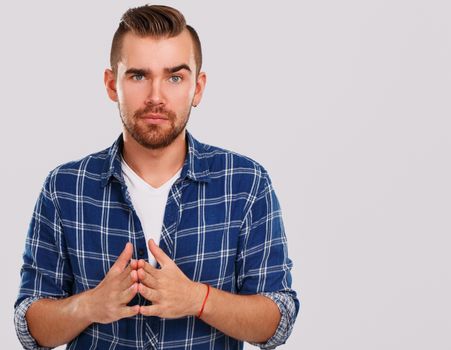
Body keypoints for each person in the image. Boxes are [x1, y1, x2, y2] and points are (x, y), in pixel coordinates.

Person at [14, 4, 300, 350]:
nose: (155, 97)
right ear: (111, 84)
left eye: (175, 77)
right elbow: (29, 328)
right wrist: (89, 306)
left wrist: (199, 299)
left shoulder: (246, 184)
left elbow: (278, 321)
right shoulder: (65, 188)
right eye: (138, 76)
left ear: (198, 87)